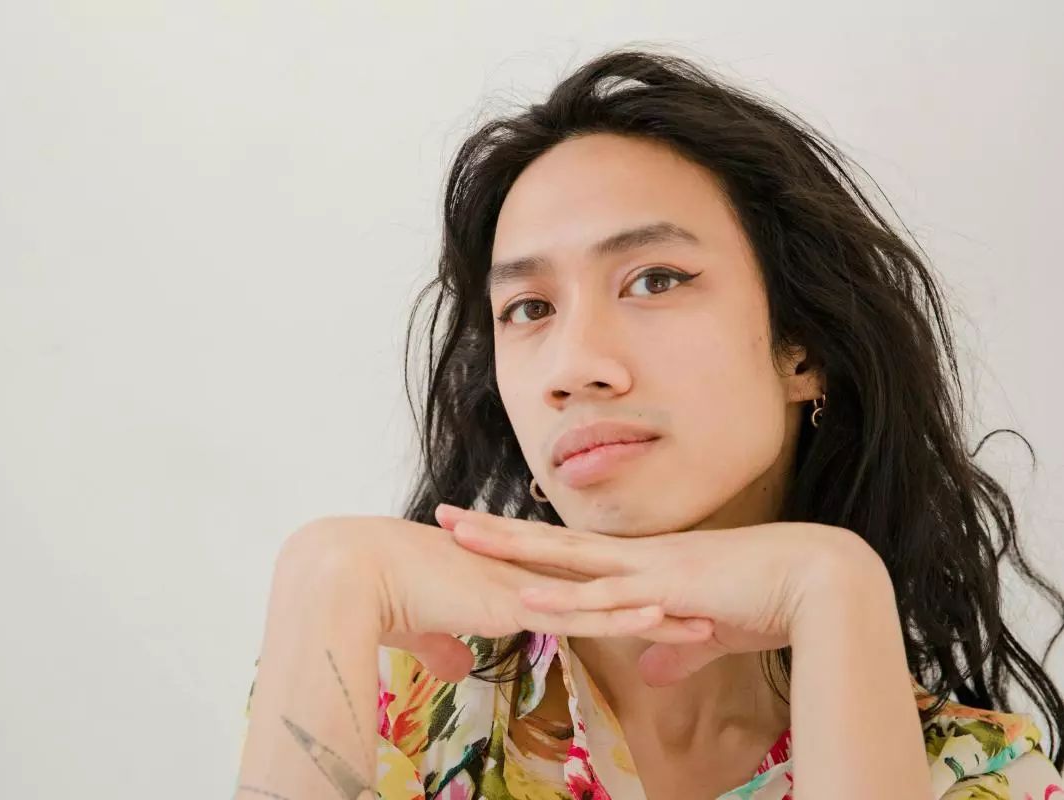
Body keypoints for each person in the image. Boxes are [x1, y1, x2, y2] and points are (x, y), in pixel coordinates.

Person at [236, 48, 1064, 800]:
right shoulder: (382, 697)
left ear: (802, 347)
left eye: (655, 280)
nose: (573, 366)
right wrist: (323, 575)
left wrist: (834, 586)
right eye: (529, 308)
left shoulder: (983, 778)